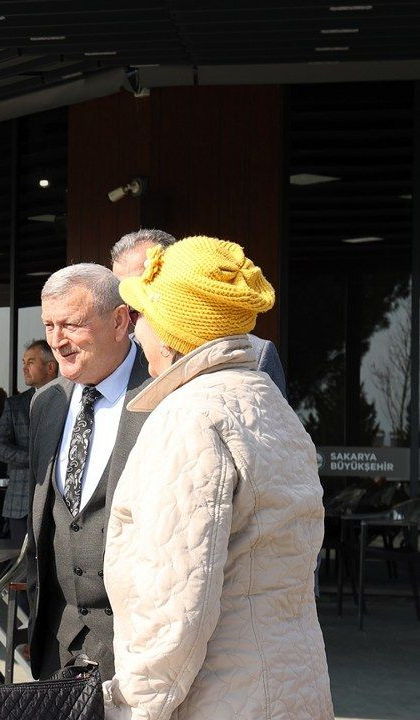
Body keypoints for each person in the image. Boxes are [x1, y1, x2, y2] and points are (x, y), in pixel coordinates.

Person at [104, 236, 332, 719]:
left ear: (172, 331)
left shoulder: (191, 416)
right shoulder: (268, 404)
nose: (135, 330)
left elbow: (176, 600)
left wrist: (135, 707)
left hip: (219, 695)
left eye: (142, 315)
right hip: (291, 681)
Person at [26, 264, 149, 681]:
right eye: (49, 325)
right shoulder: (46, 404)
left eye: (72, 325)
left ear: (119, 321)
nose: (57, 341)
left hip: (137, 650)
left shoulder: (164, 393)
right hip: (56, 647)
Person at [111, 228, 287, 398]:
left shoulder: (256, 353)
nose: (132, 313)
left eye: (148, 283)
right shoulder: (120, 352)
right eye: (128, 299)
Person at [0, 340, 57, 548]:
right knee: (21, 576)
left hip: (57, 505)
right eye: (24, 362)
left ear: (50, 367)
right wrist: (35, 460)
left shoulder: (71, 400)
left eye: (31, 362)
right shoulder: (15, 405)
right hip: (20, 503)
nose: (24, 368)